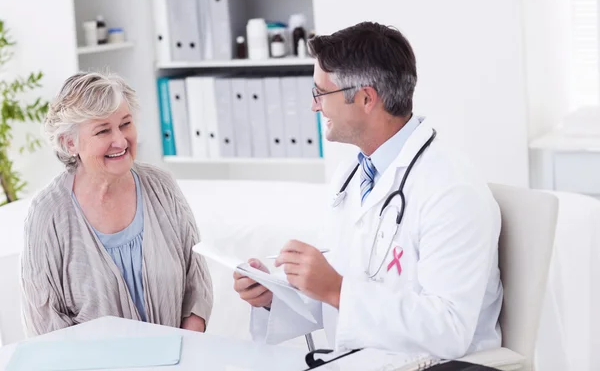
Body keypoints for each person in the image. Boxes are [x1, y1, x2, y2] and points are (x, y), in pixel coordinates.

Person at [233, 22, 503, 360]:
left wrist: (336, 289)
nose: (314, 106)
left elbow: (449, 329)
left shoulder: (451, 190)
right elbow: (338, 296)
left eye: (320, 93)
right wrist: (274, 296)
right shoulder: (354, 176)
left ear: (365, 98)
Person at [21, 71, 213, 336]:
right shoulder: (47, 214)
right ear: (70, 142)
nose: (121, 140)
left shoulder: (162, 187)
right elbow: (44, 324)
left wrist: (184, 350)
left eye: (125, 124)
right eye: (103, 130)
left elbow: (197, 284)